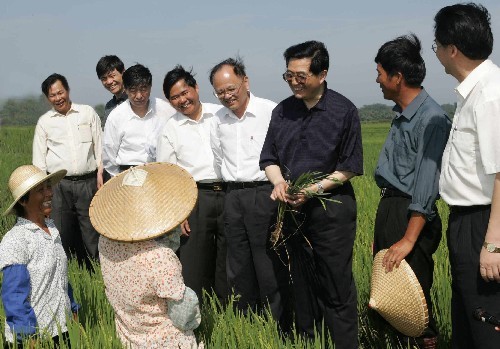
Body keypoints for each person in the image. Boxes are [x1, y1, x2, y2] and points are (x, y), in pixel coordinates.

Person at [260, 41, 363, 349]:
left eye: (300, 76)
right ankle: (310, 341)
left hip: (331, 208)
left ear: (323, 74)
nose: (294, 82)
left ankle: (345, 343)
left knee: (335, 282)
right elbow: (269, 158)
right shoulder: (282, 111)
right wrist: (279, 183)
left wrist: (313, 190)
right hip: (292, 208)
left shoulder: (344, 111)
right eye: (288, 75)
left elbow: (350, 167)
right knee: (301, 281)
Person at [372, 34, 451, 349]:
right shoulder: (403, 115)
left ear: (397, 77)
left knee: (413, 305)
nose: (376, 80)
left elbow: (426, 186)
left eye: (379, 73)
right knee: (388, 301)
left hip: (411, 216)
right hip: (392, 210)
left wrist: (408, 238)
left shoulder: (431, 119)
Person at [433, 3, 500, 348]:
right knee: (467, 320)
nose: (437, 54)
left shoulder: (489, 94)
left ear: (452, 49)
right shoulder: (471, 91)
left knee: (486, 323)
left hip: (483, 224)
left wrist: (493, 243)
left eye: (437, 46)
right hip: (467, 222)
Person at [209, 57, 289, 325]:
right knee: (238, 262)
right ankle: (248, 322)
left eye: (231, 88)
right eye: (220, 92)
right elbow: (218, 158)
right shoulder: (218, 119)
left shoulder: (270, 111)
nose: (226, 96)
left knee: (267, 260)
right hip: (232, 195)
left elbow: (284, 153)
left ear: (245, 81)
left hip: (264, 193)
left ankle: (278, 322)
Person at [91, 163, 203, 349]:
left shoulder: (105, 242)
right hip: (167, 342)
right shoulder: (159, 257)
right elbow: (183, 314)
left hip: (128, 337)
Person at [157, 65, 228, 303]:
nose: (182, 100)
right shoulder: (170, 128)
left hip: (228, 192)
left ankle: (229, 309)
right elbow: (167, 175)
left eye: (184, 92)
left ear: (196, 88)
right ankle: (198, 314)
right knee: (194, 263)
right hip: (194, 199)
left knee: (228, 259)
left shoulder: (220, 115)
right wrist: (179, 213)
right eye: (174, 97)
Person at [0, 165, 79, 348]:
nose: (49, 194)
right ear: (23, 201)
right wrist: (28, 336)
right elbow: (15, 295)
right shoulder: (17, 239)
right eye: (40, 190)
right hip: (35, 337)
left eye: (48, 187)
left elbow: (60, 275)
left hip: (61, 329)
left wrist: (72, 308)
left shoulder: (52, 229)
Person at [32, 73, 103, 266]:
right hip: (58, 186)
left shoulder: (87, 113)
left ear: (68, 90)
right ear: (48, 98)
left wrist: (100, 173)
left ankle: (96, 273)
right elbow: (39, 163)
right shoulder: (44, 122)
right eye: (53, 95)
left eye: (60, 92)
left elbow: (100, 147)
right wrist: (44, 194)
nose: (58, 98)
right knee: (61, 233)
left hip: (88, 183)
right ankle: (68, 275)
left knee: (92, 232)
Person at [103, 64, 176, 177]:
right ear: (125, 89)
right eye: (133, 90)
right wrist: (120, 179)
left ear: (150, 87)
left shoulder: (166, 110)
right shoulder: (116, 117)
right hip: (128, 175)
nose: (139, 96)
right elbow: (109, 157)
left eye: (143, 89)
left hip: (161, 176)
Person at [95, 55, 127, 127]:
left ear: (123, 72)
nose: (109, 81)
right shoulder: (109, 106)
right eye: (104, 79)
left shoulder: (136, 101)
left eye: (112, 76)